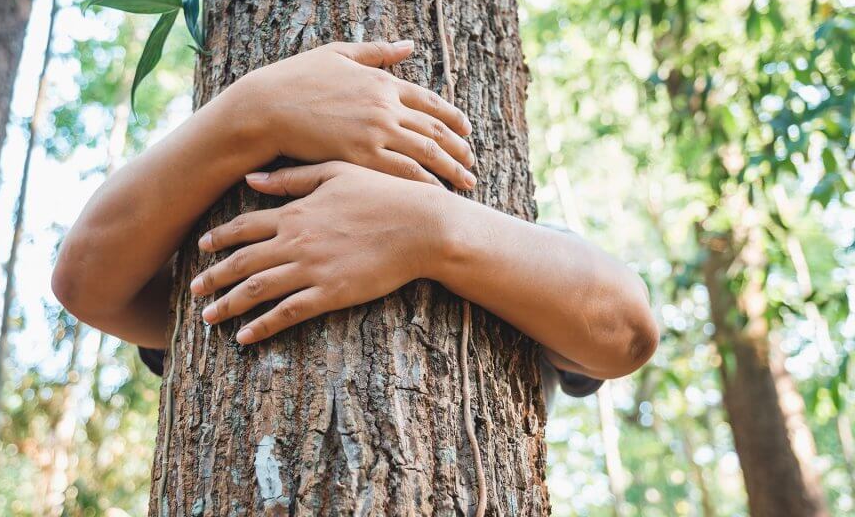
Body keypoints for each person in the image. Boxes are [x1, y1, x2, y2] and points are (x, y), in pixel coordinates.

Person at [51, 40, 659, 406]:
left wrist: (426, 227)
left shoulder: (526, 261)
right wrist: (255, 112)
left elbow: (626, 330)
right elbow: (83, 279)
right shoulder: (199, 248)